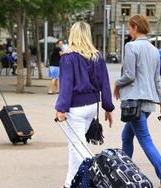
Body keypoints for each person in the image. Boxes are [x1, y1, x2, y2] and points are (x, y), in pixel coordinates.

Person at [114, 15, 161, 188]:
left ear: (135, 27)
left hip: (134, 102)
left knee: (145, 140)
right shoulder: (154, 50)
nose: (128, 31)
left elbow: (129, 75)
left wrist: (116, 84)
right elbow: (157, 80)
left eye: (129, 28)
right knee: (126, 136)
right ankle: (125, 174)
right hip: (148, 104)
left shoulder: (131, 47)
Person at [55, 21, 114, 188]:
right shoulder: (97, 56)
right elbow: (105, 84)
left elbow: (66, 85)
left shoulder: (68, 57)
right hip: (92, 107)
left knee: (77, 148)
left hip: (76, 108)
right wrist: (108, 108)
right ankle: (72, 183)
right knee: (77, 146)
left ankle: (88, 180)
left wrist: (61, 108)